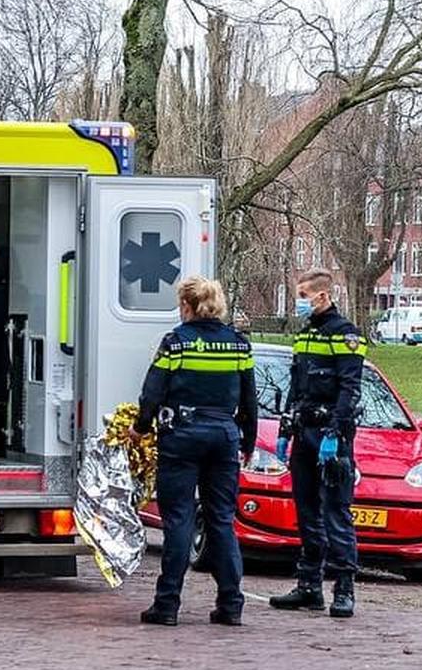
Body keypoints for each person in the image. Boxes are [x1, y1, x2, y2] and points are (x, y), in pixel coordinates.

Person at [132, 276, 256, 627]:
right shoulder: (238, 345)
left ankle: (167, 604)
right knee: (221, 520)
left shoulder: (176, 344)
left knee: (179, 521)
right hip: (224, 437)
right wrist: (246, 442)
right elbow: (249, 400)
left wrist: (140, 427)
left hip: (182, 438)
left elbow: (152, 393)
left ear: (186, 306)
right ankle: (231, 604)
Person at [268, 269, 367, 619]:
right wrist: (285, 426)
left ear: (323, 296)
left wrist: (336, 434)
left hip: (331, 435)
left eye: (304, 296)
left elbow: (349, 388)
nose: (300, 302)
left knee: (336, 512)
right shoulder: (305, 334)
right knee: (306, 510)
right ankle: (309, 586)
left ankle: (344, 588)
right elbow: (296, 386)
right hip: (304, 432)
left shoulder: (346, 334)